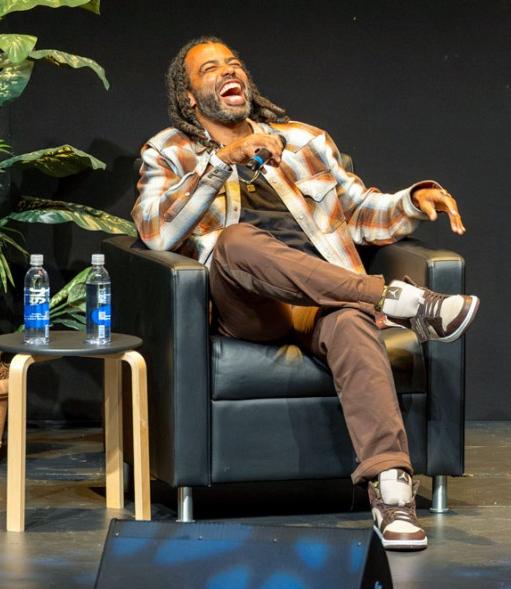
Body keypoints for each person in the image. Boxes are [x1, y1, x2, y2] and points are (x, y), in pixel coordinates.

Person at [131, 36, 479, 551]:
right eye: (211, 69)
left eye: (235, 64)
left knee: (351, 317)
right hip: (246, 304)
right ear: (188, 96)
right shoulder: (169, 150)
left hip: (322, 296)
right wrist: (223, 160)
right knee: (236, 240)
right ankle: (392, 299)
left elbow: (360, 211)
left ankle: (391, 492)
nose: (230, 72)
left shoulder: (305, 140)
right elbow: (154, 232)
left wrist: (411, 199)